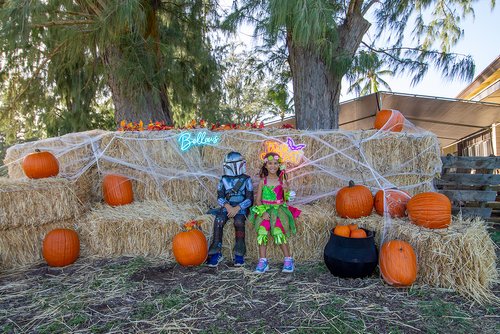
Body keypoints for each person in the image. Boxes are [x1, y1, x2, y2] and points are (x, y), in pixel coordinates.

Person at [248, 152, 301, 273]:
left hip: (278, 210)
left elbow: (285, 199)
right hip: (265, 210)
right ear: (265, 166)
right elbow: (258, 200)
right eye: (270, 163)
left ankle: (288, 259)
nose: (273, 166)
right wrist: (262, 213)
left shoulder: (282, 181)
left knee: (278, 232)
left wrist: (287, 193)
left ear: (279, 165)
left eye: (275, 163)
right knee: (262, 232)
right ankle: (263, 261)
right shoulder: (263, 181)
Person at [206, 151, 253, 267]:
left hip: (241, 206)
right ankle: (216, 253)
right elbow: (220, 197)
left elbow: (250, 199)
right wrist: (227, 206)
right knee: (219, 221)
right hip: (227, 206)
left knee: (239, 222)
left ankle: (239, 254)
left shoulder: (247, 179)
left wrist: (238, 208)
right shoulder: (223, 179)